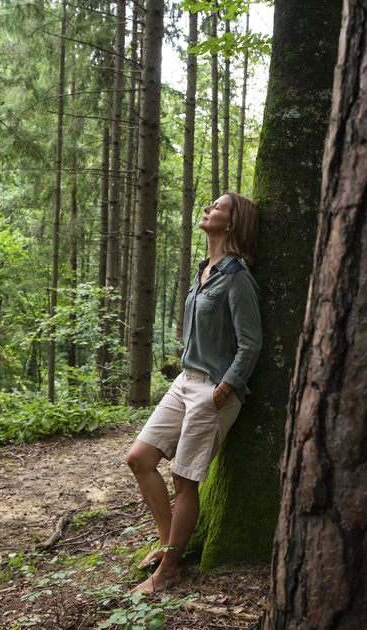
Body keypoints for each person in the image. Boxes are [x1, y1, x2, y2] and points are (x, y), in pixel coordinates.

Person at [125, 191, 262, 593]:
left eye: (217, 207)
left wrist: (224, 389)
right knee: (139, 458)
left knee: (184, 480)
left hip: (213, 390)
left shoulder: (237, 277)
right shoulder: (206, 270)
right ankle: (170, 546)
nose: (207, 209)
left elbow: (251, 343)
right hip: (184, 380)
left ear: (232, 223)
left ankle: (168, 570)